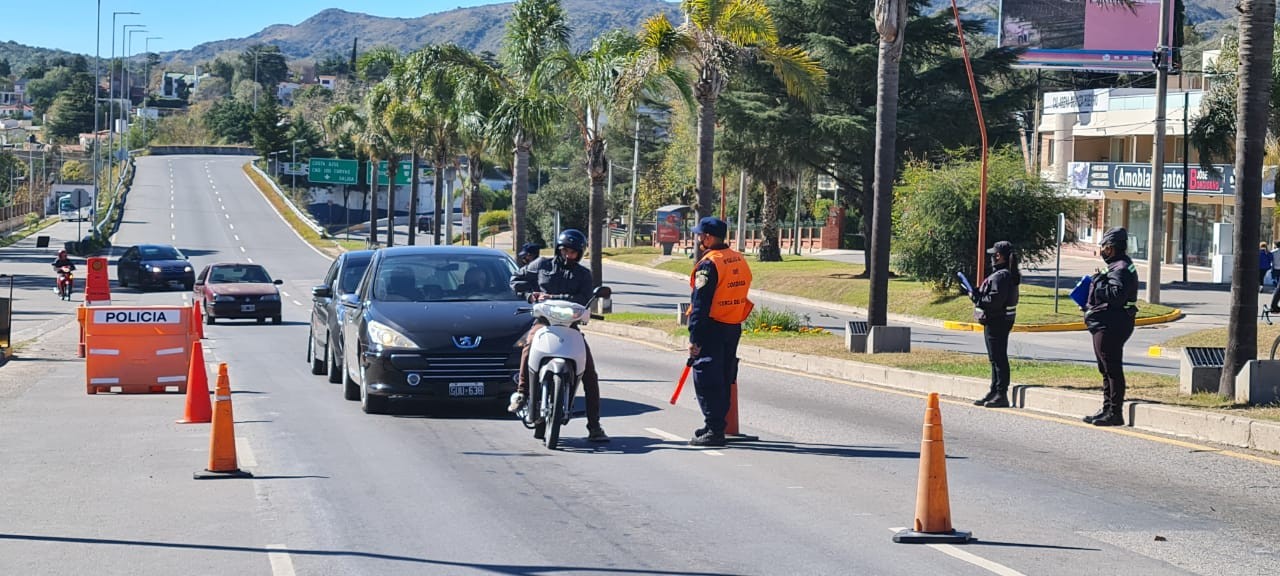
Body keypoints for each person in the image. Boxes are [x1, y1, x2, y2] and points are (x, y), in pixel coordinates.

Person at [508, 229, 609, 443]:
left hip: (570, 326)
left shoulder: (583, 274)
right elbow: (516, 278)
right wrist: (529, 295)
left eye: (573, 252)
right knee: (529, 343)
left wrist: (553, 297)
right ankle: (522, 393)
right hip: (544, 322)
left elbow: (584, 298)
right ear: (558, 249)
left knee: (589, 373)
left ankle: (595, 425)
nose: (568, 255)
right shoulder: (542, 265)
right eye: (565, 250)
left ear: (580, 253)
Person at [685, 217, 754, 447]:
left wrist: (695, 337)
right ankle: (714, 424)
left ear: (708, 237)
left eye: (700, 235)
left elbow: (701, 304)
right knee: (724, 376)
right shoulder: (738, 258)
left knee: (706, 377)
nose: (698, 239)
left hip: (712, 327)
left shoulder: (709, 264)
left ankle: (714, 429)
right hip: (733, 325)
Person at [1083, 227, 1139, 427]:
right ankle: (1107, 408)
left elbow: (1116, 296)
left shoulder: (1121, 268)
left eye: (1105, 247)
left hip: (1113, 324)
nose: (1102, 251)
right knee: (1105, 368)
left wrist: (1098, 283)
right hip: (1107, 322)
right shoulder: (1118, 265)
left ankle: (1115, 412)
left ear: (1113, 248)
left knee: (1111, 368)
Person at [971, 241, 1020, 408]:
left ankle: (1001, 393)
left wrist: (977, 298)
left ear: (999, 256)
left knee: (998, 358)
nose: (991, 257)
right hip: (999, 320)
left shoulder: (1002, 276)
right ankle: (994, 391)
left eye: (994, 254)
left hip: (997, 320)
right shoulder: (1005, 274)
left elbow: (995, 300)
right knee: (995, 358)